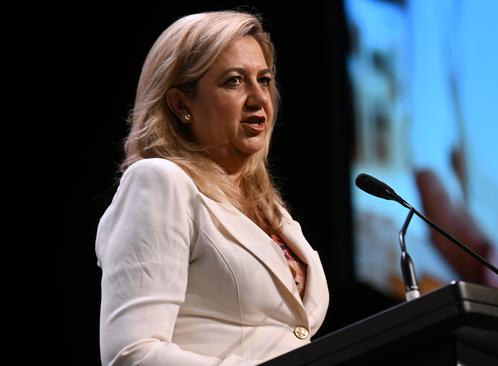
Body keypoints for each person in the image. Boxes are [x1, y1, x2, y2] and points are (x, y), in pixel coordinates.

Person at [95, 11, 329, 365]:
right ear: (180, 103)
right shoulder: (161, 182)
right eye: (234, 81)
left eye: (263, 80)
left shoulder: (271, 212)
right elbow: (131, 354)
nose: (258, 98)